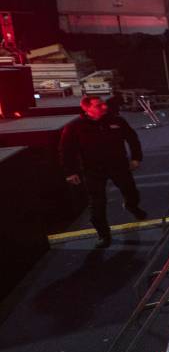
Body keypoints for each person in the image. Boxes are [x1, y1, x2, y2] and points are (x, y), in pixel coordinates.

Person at [60, 94, 145, 248]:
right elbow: (66, 151)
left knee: (131, 190)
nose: (104, 107)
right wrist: (70, 172)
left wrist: (136, 158)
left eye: (103, 104)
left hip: (118, 165)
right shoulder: (74, 127)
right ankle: (103, 234)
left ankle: (132, 206)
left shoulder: (117, 121)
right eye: (99, 105)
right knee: (97, 203)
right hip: (93, 170)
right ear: (87, 109)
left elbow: (132, 139)